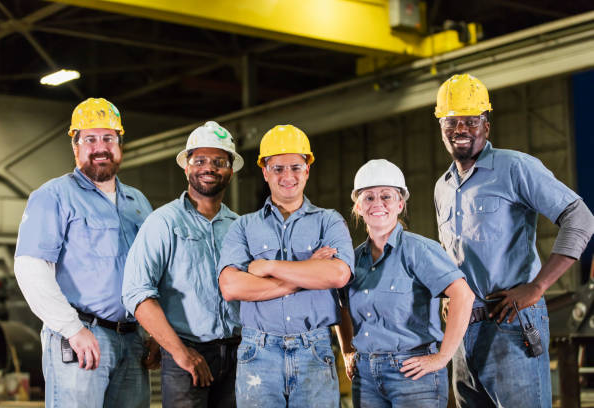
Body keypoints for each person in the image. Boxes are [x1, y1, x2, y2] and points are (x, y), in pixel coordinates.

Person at [433, 73, 594, 407]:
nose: (461, 129)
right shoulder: (442, 187)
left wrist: (536, 288)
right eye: (452, 121)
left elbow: (580, 218)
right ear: (441, 127)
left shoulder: (515, 168)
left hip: (510, 325)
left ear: (486, 126)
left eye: (471, 121)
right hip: (461, 334)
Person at [14, 98, 152, 408]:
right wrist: (73, 329)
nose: (100, 146)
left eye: (108, 138)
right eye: (90, 139)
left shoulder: (138, 201)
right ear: (75, 146)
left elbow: (152, 271)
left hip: (133, 340)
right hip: (82, 336)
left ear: (119, 144)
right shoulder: (53, 196)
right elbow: (30, 268)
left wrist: (154, 331)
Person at [217, 124, 355, 407]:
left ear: (307, 169)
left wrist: (267, 266)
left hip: (314, 350)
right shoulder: (243, 227)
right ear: (265, 172)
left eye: (295, 167)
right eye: (278, 168)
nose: (287, 176)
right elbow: (231, 286)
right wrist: (308, 272)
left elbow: (338, 274)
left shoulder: (329, 221)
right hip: (258, 352)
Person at [122, 121, 244, 408]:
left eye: (219, 161)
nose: (209, 167)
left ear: (230, 170)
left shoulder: (239, 227)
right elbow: (136, 293)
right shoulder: (164, 223)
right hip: (185, 357)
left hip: (238, 356)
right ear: (186, 167)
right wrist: (179, 352)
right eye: (199, 160)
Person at [335, 159, 474, 408]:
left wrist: (442, 357)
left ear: (400, 204)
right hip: (365, 375)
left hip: (413, 373)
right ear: (358, 206)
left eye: (386, 196)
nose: (377, 203)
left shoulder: (418, 250)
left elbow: (463, 296)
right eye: (369, 198)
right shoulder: (352, 260)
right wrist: (347, 349)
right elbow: (341, 304)